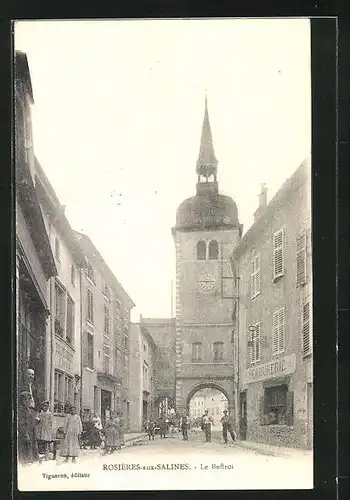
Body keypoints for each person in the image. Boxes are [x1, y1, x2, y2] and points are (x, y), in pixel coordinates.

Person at [18, 391, 39, 465]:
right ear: (22, 400)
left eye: (29, 399)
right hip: (24, 434)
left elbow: (31, 421)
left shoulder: (29, 410)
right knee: (24, 451)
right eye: (26, 400)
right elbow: (21, 424)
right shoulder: (21, 410)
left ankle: (28, 462)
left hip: (31, 433)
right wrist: (25, 434)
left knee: (30, 450)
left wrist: (36, 421)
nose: (28, 401)